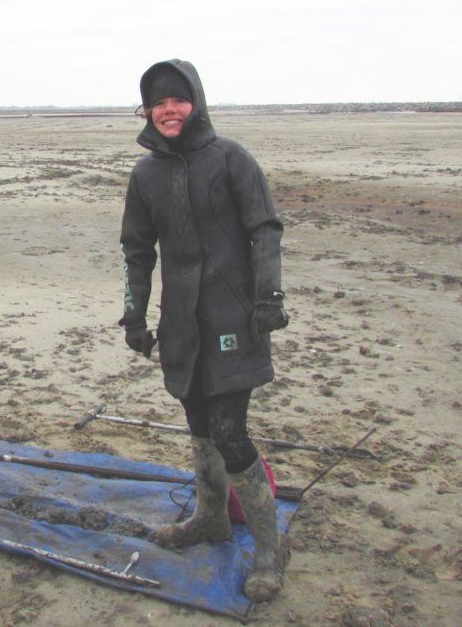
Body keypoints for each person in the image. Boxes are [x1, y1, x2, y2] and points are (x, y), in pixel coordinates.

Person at [119, 59, 289, 602]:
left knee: (230, 430)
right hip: (181, 321)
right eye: (159, 102)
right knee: (196, 420)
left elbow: (265, 230)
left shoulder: (231, 159)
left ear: (196, 101)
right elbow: (137, 251)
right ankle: (211, 518)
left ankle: (268, 551)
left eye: (178, 99)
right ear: (148, 110)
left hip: (234, 317)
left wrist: (269, 298)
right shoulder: (145, 176)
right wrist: (135, 314)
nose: (169, 110)